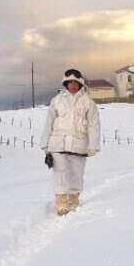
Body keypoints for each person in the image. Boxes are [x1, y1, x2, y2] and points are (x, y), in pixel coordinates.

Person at [40, 68, 101, 215]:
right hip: (57, 144)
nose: (72, 85)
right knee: (60, 173)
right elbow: (49, 122)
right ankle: (61, 203)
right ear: (65, 84)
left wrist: (93, 145)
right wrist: (45, 144)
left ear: (80, 84)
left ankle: (73, 200)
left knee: (76, 174)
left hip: (79, 144)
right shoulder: (57, 101)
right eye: (70, 83)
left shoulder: (88, 103)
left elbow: (94, 125)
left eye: (75, 83)